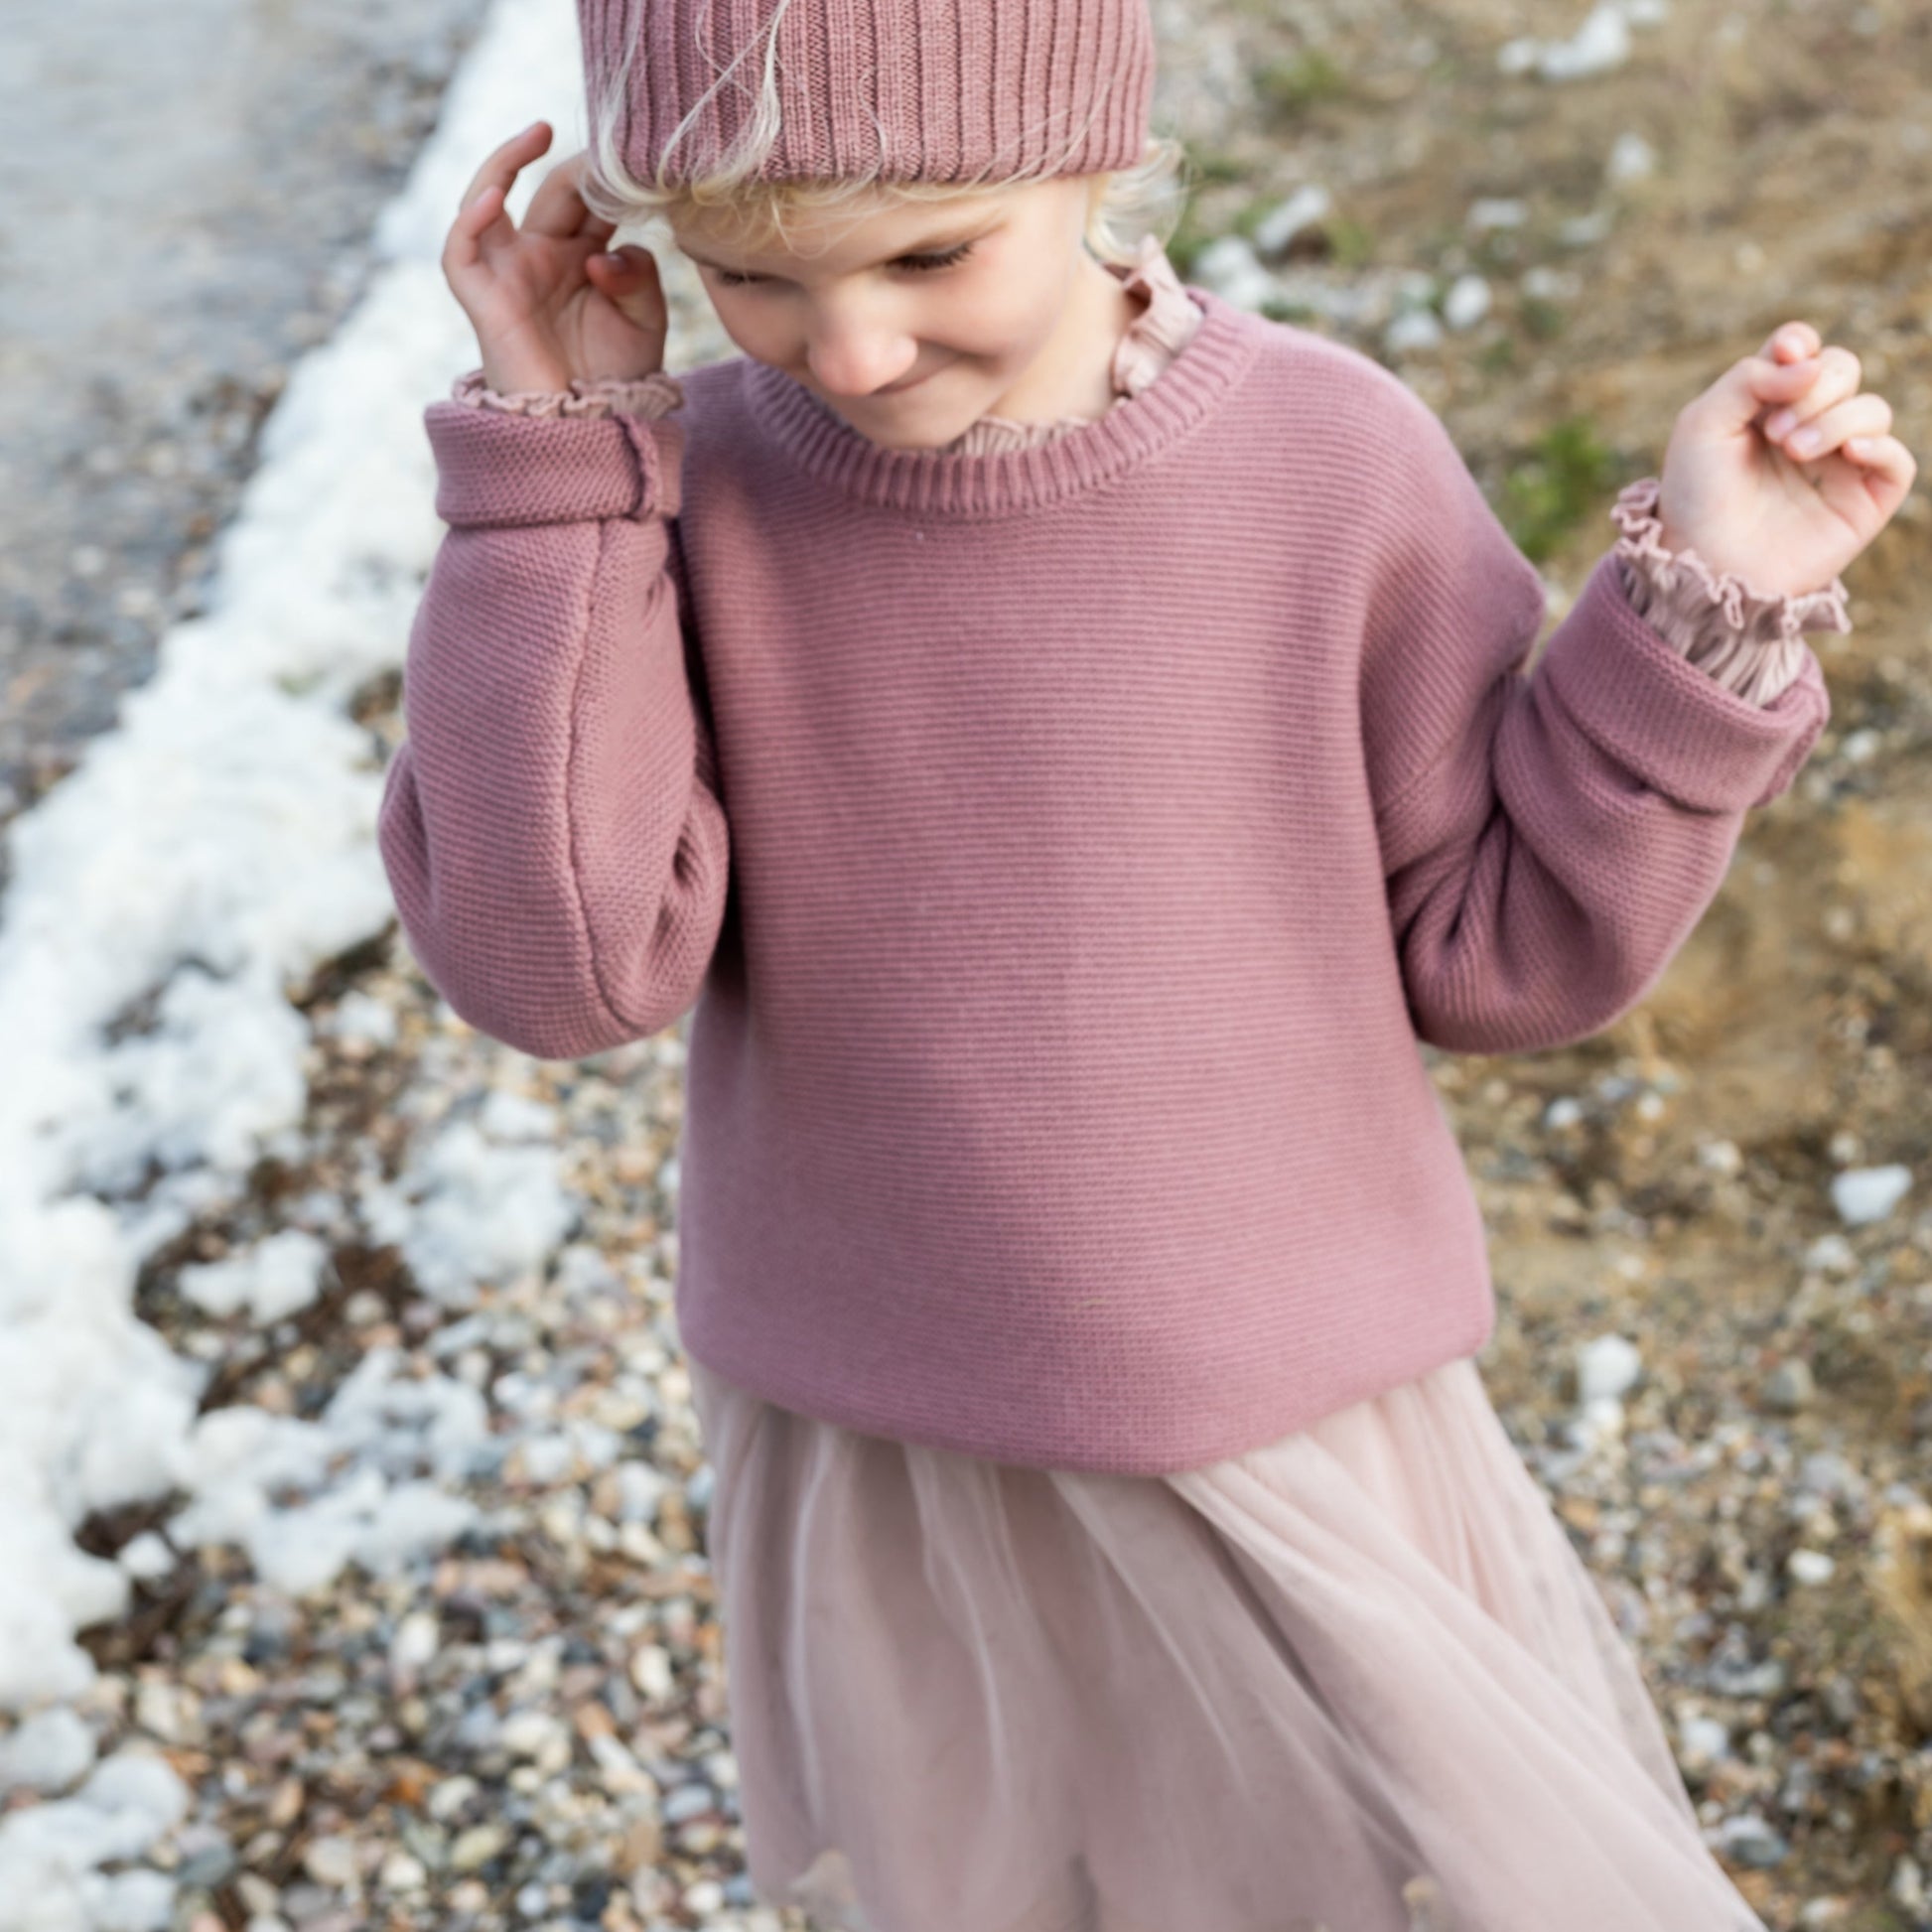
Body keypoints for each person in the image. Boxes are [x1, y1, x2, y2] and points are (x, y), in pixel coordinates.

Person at [376, 1, 1916, 1926]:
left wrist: (1707, 620)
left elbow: (1506, 949)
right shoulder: (682, 498)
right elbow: (564, 964)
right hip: (882, 1439)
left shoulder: (1329, 465)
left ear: (1097, 165)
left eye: (934, 252)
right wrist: (551, 462)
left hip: (1288, 1425)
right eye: (749, 273)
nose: (850, 347)